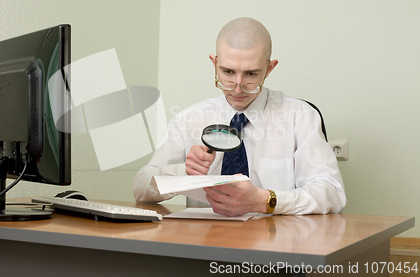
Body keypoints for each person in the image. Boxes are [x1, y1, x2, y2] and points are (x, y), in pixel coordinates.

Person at [133, 17, 346, 216]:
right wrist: (184, 172)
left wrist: (265, 201)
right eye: (227, 72)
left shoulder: (300, 117)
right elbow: (140, 187)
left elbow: (332, 192)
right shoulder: (187, 120)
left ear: (270, 68)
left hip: (275, 243)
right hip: (204, 244)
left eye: (251, 74)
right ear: (214, 63)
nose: (237, 87)